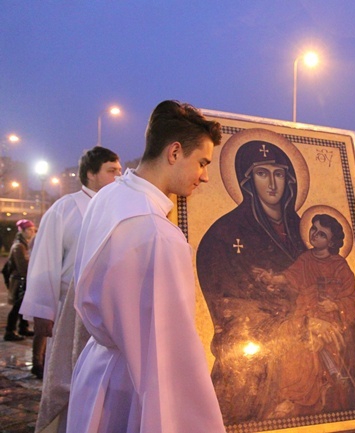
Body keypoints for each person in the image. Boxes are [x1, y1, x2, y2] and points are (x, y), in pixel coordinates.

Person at [67, 100, 225, 433]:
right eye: (202, 162)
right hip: (135, 389)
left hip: (97, 372)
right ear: (175, 152)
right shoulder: (157, 233)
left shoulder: (108, 198)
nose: (206, 176)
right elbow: (171, 351)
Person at [196, 139, 306, 424]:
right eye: (262, 173)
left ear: (290, 179)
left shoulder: (307, 229)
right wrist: (283, 319)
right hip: (254, 328)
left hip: (302, 318)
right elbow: (227, 303)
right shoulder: (225, 233)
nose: (272, 184)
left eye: (278, 174)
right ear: (247, 180)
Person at [19, 146, 120, 429]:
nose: (118, 176)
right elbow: (45, 263)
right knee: (68, 379)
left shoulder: (117, 207)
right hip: (68, 313)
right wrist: (42, 311)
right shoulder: (64, 208)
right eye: (111, 171)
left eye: (120, 171)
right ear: (90, 173)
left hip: (103, 316)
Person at [254, 213, 355, 416]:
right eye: (314, 230)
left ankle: (321, 386)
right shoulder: (305, 259)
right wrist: (272, 278)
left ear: (332, 241)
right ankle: (294, 397)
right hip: (306, 314)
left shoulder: (340, 266)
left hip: (333, 318)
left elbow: (352, 299)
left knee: (316, 345)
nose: (315, 235)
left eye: (322, 234)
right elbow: (290, 277)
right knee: (295, 346)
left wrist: (334, 305)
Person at [4, 219, 36, 342]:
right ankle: (10, 331)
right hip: (19, 282)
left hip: (22, 280)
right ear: (22, 231)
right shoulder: (19, 246)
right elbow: (23, 267)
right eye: (29, 230)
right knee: (17, 306)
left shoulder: (25, 244)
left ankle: (23, 327)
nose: (32, 232)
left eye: (33, 230)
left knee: (23, 304)